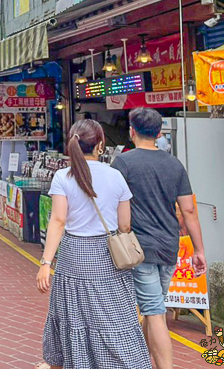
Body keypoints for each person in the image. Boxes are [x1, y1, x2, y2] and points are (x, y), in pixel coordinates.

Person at [37, 119, 150, 369]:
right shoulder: (116, 176)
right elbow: (125, 226)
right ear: (100, 145)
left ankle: (77, 361)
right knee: (114, 315)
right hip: (108, 256)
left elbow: (58, 221)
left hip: (73, 256)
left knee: (74, 316)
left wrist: (45, 263)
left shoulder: (62, 177)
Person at [112, 107, 206, 369]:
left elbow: (113, 204)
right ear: (159, 132)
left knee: (154, 313)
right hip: (168, 246)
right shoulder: (174, 163)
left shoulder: (124, 162)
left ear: (132, 131)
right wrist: (199, 250)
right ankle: (140, 359)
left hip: (138, 248)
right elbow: (188, 210)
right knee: (153, 306)